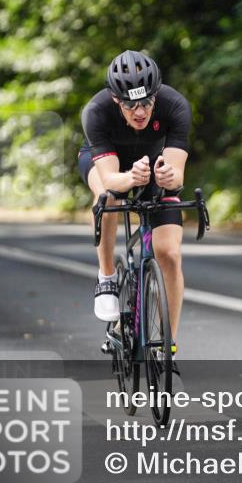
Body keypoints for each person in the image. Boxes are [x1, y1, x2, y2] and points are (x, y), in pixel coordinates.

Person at [78, 50, 191, 358]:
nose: (139, 112)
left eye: (147, 103)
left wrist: (168, 176)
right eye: (130, 105)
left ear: (156, 95)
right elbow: (110, 178)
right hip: (108, 165)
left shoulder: (175, 105)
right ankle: (107, 277)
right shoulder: (96, 111)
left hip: (153, 165)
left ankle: (167, 347)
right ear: (116, 100)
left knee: (169, 254)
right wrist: (130, 178)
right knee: (107, 196)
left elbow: (177, 175)